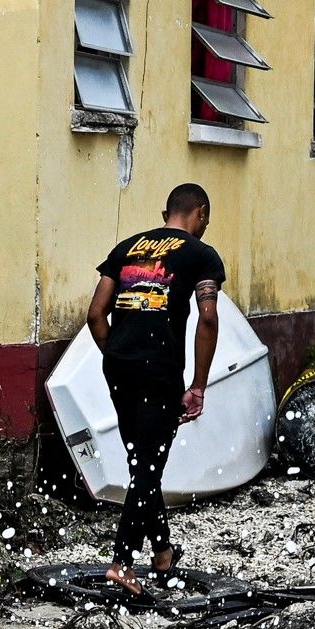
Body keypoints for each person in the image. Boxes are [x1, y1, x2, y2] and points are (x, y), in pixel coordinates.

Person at [84, 185, 226, 585]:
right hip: (158, 372)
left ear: (167, 212)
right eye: (206, 221)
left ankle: (162, 553)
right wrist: (197, 385)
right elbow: (209, 319)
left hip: (117, 367)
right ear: (199, 213)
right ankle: (122, 563)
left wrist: (117, 354)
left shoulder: (126, 248)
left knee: (142, 462)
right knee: (147, 466)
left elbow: (96, 314)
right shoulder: (201, 256)